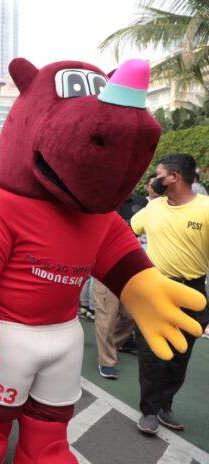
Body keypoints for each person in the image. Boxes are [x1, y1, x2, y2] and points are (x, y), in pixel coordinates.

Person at [131, 153, 209, 434]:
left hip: (193, 292)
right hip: (156, 289)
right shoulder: (152, 208)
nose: (154, 179)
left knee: (181, 353)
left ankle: (165, 406)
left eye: (158, 173)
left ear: (174, 177)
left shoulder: (205, 209)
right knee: (151, 353)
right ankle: (149, 410)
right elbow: (128, 233)